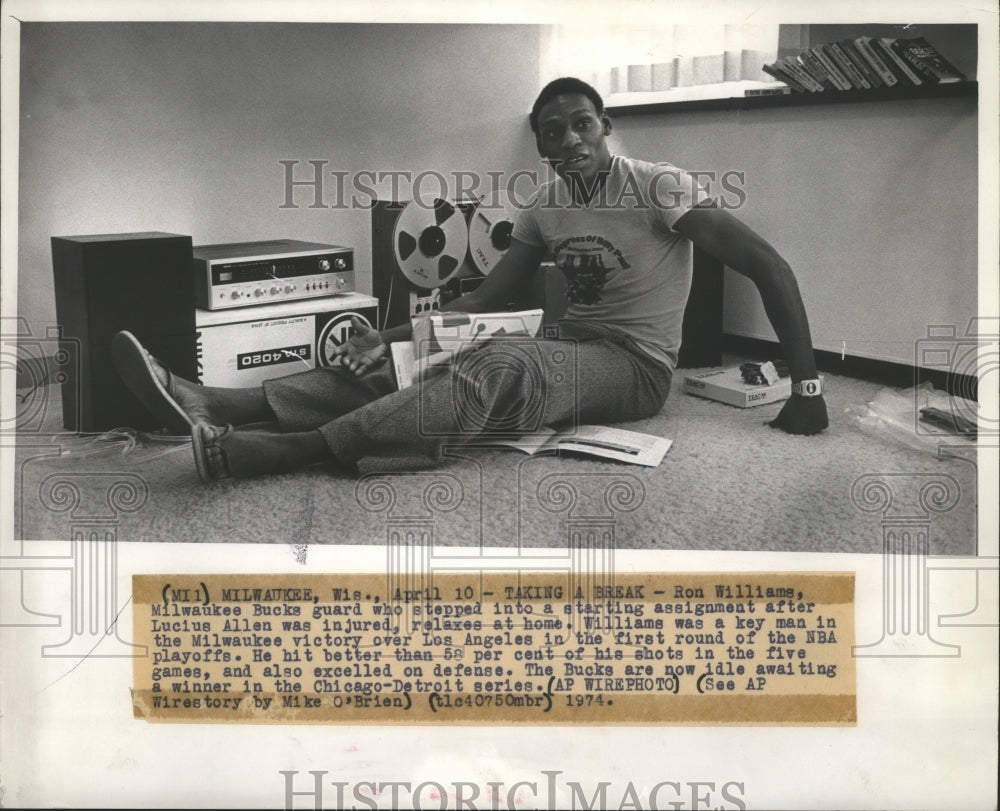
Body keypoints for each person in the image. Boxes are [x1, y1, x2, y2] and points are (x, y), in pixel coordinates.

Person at [113, 76, 828, 482]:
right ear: (541, 145)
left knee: (502, 360)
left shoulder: (659, 187)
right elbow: (485, 298)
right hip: (570, 350)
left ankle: (282, 449)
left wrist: (808, 387)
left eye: (583, 124)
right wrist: (389, 338)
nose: (571, 139)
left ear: (606, 125)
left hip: (637, 369)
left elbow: (769, 265)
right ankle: (220, 400)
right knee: (427, 358)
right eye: (554, 131)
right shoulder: (545, 205)